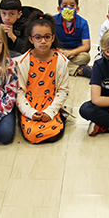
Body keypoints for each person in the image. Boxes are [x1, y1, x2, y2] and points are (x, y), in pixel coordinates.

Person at [16, 13, 69, 144]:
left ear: (53, 38)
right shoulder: (22, 62)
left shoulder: (61, 61)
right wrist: (30, 112)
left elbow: (63, 91)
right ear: (30, 39)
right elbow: (19, 92)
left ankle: (58, 116)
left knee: (52, 131)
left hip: (51, 102)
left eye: (47, 37)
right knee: (33, 134)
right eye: (38, 38)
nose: (43, 41)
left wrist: (50, 112)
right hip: (30, 103)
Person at [54, 0, 91, 77]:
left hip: (74, 53)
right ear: (59, 9)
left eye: (72, 6)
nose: (68, 8)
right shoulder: (53, 21)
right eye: (64, 6)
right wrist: (60, 51)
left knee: (85, 57)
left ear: (77, 9)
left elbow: (86, 46)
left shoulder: (83, 23)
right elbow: (49, 41)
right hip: (58, 51)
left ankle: (59, 66)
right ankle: (77, 69)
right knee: (48, 55)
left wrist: (70, 53)